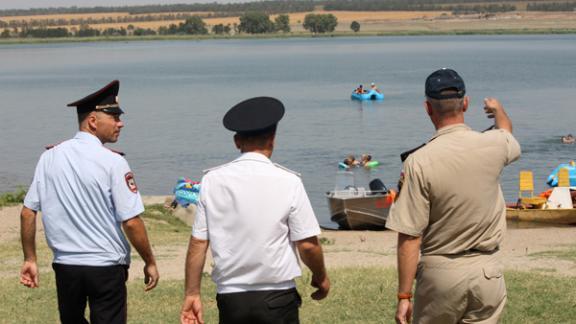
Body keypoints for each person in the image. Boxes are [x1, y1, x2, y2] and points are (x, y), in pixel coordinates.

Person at [386, 68, 521, 324]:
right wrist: (497, 109)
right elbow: (506, 131)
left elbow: (410, 235)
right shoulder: (493, 145)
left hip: (441, 274)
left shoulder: (419, 162)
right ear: (466, 103)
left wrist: (404, 295)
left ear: (428, 108)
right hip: (487, 272)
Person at [20, 80, 159, 324]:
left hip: (66, 267)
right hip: (105, 267)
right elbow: (131, 221)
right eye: (114, 116)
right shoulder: (114, 162)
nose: (120, 123)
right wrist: (149, 261)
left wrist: (30, 258)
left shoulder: (49, 157)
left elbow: (27, 212)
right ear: (93, 121)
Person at [180, 97, 330, 324]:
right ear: (273, 139)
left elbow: (199, 243)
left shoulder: (212, 181)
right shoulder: (289, 181)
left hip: (231, 299)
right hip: (278, 296)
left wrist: (192, 293)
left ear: (236, 141)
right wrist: (321, 277)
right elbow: (307, 245)